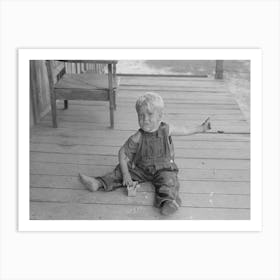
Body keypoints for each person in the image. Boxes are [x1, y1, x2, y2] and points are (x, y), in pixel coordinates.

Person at [79, 92, 211, 216]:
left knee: (169, 181)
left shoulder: (166, 129)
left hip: (163, 168)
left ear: (160, 116)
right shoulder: (138, 136)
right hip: (141, 168)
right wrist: (126, 175)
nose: (145, 119)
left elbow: (185, 129)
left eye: (149, 115)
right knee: (119, 172)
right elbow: (122, 152)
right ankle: (98, 183)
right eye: (141, 116)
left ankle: (168, 202)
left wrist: (201, 128)